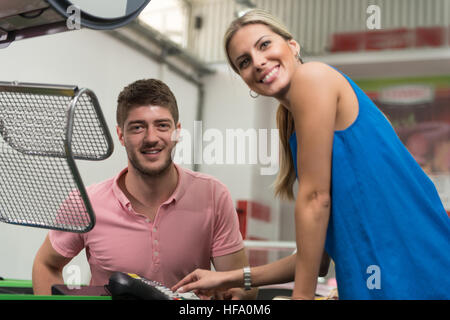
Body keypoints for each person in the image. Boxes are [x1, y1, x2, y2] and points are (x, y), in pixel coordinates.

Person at [172, 9, 450, 300]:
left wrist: (301, 297)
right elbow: (315, 260)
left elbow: (316, 200)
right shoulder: (296, 129)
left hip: (421, 276)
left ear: (293, 46)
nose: (257, 62)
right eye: (244, 61)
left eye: (264, 45)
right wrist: (230, 278)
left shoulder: (313, 76)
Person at [32, 79, 258, 299]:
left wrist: (236, 293)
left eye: (162, 125)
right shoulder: (85, 202)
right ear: (121, 135)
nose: (151, 138)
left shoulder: (213, 195)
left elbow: (242, 285)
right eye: (138, 127)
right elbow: (46, 264)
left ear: (177, 132)